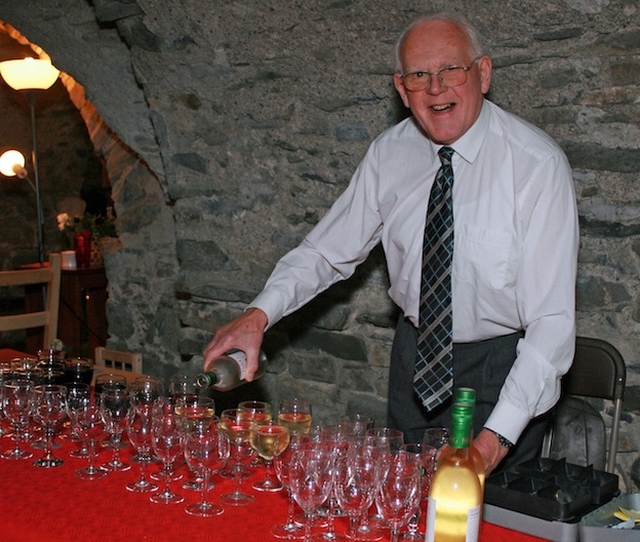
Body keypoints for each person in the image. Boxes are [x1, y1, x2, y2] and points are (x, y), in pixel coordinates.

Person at [203, 11, 579, 475]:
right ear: (402, 90)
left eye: (450, 70)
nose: (436, 88)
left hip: (502, 371)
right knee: (399, 502)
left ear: (483, 73)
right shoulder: (389, 153)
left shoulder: (536, 165)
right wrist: (259, 315)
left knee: (484, 518)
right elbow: (325, 252)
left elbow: (551, 323)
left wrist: (493, 441)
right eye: (420, 75)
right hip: (416, 363)